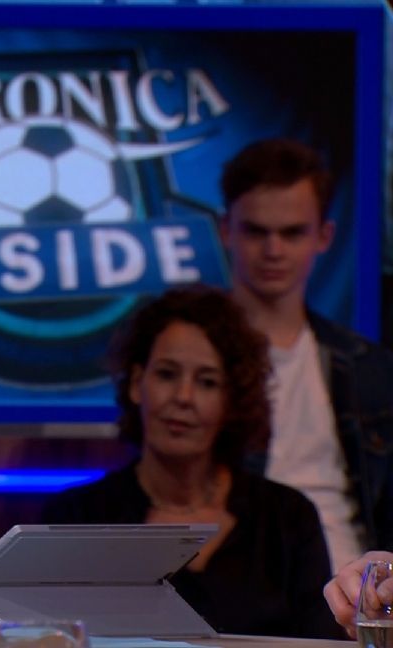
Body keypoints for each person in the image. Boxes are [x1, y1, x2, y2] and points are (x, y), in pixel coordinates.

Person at [41, 285, 342, 639]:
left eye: (207, 382)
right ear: (137, 383)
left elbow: (322, 642)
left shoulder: (287, 518)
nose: (183, 397)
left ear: (231, 400)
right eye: (167, 374)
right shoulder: (75, 518)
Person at [220, 138, 393, 574]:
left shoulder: (366, 367)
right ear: (226, 230)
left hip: (351, 590)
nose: (273, 251)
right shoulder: (195, 367)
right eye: (256, 231)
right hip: (237, 588)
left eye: (292, 232)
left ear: (324, 236)